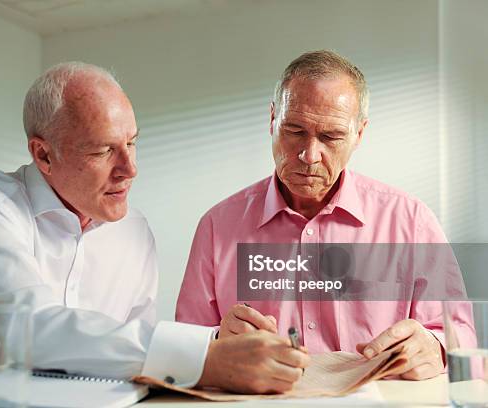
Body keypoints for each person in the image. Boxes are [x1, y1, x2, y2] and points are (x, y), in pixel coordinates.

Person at [0, 62, 309, 393]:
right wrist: (203, 356)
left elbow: (129, 354)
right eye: (104, 150)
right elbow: (24, 331)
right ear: (43, 154)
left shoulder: (135, 231)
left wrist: (218, 343)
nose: (130, 169)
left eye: (132, 143)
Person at [176, 50, 473, 381]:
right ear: (272, 119)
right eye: (294, 130)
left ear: (359, 134)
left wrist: (435, 345)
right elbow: (180, 350)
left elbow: (458, 333)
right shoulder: (217, 226)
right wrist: (215, 344)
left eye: (331, 136)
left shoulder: (411, 221)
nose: (309, 155)